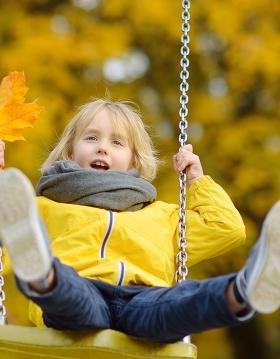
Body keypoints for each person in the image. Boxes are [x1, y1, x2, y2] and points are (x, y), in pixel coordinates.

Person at [0, 99, 279, 343]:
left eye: (117, 142)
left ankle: (244, 289)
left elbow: (226, 227)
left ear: (134, 160)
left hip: (143, 298)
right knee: (71, 297)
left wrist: (197, 180)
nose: (102, 148)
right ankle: (43, 276)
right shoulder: (43, 207)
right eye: (91, 138)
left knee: (180, 303)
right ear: (71, 151)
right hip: (82, 291)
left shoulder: (162, 216)